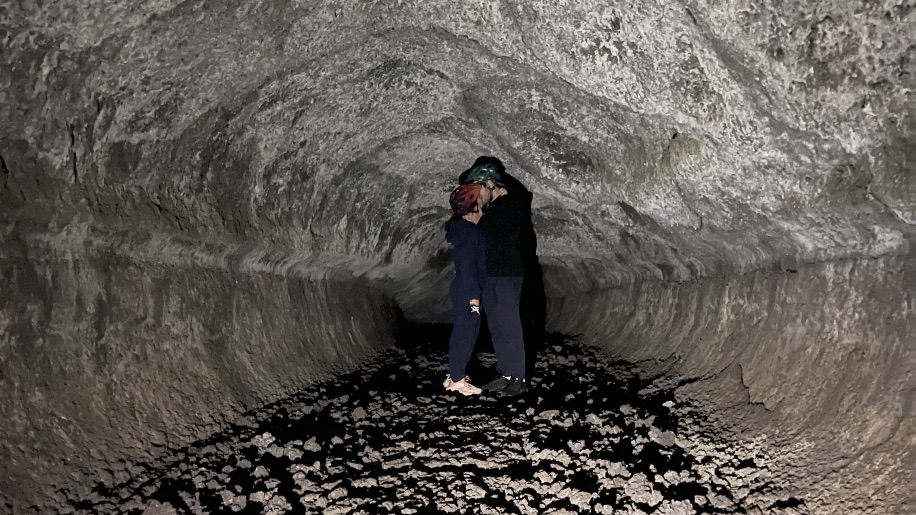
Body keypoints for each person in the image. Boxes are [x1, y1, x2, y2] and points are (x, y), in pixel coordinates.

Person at [460, 157, 531, 398]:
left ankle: (518, 378)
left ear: (491, 183)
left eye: (478, 189)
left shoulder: (513, 202)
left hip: (509, 272)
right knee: (497, 326)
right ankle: (505, 373)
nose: (477, 197)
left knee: (510, 323)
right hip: (491, 273)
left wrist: (480, 221)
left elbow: (506, 234)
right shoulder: (491, 210)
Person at [442, 183, 486, 396]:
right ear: (472, 209)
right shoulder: (470, 233)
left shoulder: (466, 231)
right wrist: (474, 297)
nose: (483, 208)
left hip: (464, 289)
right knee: (465, 334)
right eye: (479, 204)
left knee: (466, 332)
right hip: (467, 290)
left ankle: (455, 376)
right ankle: (458, 379)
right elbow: (467, 265)